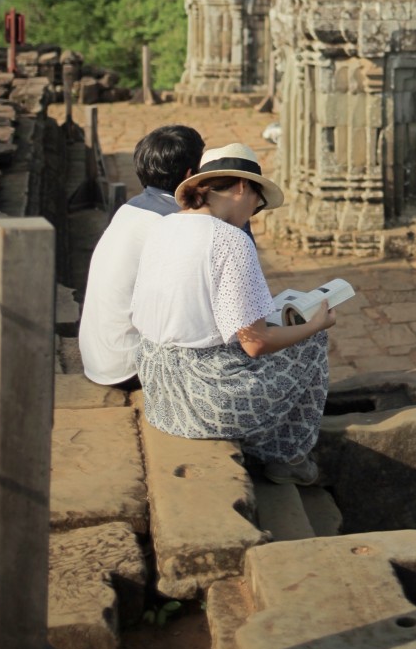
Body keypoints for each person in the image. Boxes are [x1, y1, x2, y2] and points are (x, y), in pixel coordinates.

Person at [131, 142, 334, 486]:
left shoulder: (162, 226)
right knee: (312, 342)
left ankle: (269, 445)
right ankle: (287, 455)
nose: (255, 210)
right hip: (208, 401)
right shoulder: (230, 240)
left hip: (159, 392)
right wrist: (315, 324)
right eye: (258, 201)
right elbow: (256, 343)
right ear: (242, 187)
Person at [79, 124, 204, 387]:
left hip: (100, 357)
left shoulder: (131, 208)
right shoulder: (172, 222)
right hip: (128, 366)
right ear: (191, 174)